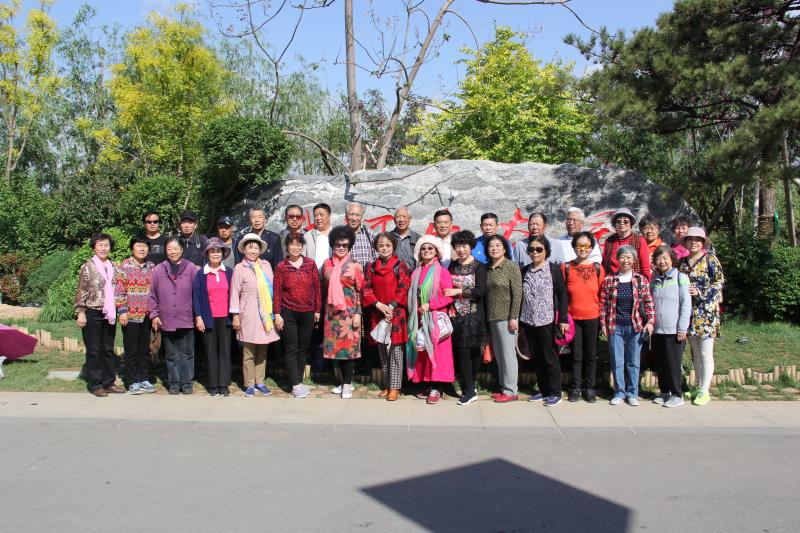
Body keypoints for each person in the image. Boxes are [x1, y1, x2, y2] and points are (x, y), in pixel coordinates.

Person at [600, 245, 655, 406]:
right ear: (618, 259)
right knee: (616, 360)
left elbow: (648, 302)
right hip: (614, 325)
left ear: (634, 260)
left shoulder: (641, 280)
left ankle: (632, 393)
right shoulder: (609, 279)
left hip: (635, 326)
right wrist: (603, 323)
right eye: (622, 257)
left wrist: (650, 321)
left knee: (633, 361)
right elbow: (603, 303)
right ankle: (619, 392)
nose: (625, 260)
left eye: (629, 257)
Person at [519, 236, 569, 407]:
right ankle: (544, 390)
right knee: (537, 357)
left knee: (550, 357)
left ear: (546, 251)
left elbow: (562, 295)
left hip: (547, 320)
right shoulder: (525, 270)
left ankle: (555, 392)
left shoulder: (553, 270)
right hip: (528, 320)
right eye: (531, 249)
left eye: (539, 249)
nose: (535, 252)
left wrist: (563, 319)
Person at [230, 233, 281, 397]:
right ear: (244, 250)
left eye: (256, 248)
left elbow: (272, 289)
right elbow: (234, 292)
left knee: (262, 351)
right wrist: (235, 315)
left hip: (265, 313)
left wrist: (275, 312)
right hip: (248, 312)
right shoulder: (240, 268)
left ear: (260, 250)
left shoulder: (266, 265)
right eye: (250, 247)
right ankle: (249, 384)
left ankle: (260, 381)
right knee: (249, 352)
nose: (253, 251)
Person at [406, 235, 455, 404]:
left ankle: (437, 387)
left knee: (438, 354)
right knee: (423, 352)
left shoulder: (442, 272)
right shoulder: (416, 272)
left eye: (430, 248)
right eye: (424, 248)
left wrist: (431, 305)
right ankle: (428, 383)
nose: (426, 251)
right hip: (419, 317)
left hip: (435, 318)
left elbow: (449, 296)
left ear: (436, 252)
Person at [363, 232, 411, 401]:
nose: (384, 248)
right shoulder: (371, 267)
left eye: (388, 245)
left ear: (393, 247)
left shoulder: (400, 265)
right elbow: (366, 288)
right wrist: (378, 305)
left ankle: (395, 388)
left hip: (396, 313)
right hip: (378, 313)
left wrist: (390, 307)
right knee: (383, 350)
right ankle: (387, 384)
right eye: (381, 245)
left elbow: (404, 287)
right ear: (376, 247)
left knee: (396, 351)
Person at [679, 227, 724, 406]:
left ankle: (705, 390)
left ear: (703, 243)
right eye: (690, 239)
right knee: (695, 353)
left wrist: (700, 292)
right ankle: (698, 386)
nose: (694, 242)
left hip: (706, 313)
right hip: (688, 313)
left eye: (698, 239)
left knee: (706, 352)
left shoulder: (710, 259)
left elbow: (718, 282)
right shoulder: (682, 262)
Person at [273, 232, 321, 399]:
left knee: (303, 348)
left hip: (307, 312)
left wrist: (317, 310)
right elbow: (277, 292)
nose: (295, 247)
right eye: (292, 244)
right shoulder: (281, 266)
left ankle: (299, 382)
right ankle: (294, 384)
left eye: (298, 244)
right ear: (287, 247)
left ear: (302, 246)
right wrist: (277, 313)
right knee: (291, 348)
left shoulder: (310, 264)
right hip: (288, 312)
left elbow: (317, 288)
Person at [75, 233, 124, 397]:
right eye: (100, 245)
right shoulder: (87, 266)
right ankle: (96, 384)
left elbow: (120, 285)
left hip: (109, 312)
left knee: (108, 349)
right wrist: (81, 312)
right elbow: (81, 290)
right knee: (94, 350)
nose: (104, 248)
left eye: (106, 245)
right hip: (92, 312)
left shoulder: (113, 266)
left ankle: (108, 382)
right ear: (94, 247)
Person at [149, 237, 198, 395]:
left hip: (186, 318)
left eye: (176, 248)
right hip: (167, 319)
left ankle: (187, 382)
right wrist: (154, 314)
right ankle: (174, 383)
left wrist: (197, 315)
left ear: (182, 249)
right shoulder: (159, 269)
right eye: (169, 249)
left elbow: (197, 293)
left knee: (187, 353)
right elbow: (152, 294)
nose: (172, 252)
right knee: (171, 354)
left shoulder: (191, 268)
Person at [322, 226, 365, 399]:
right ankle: (343, 382)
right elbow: (324, 288)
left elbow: (361, 291)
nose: (341, 247)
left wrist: (358, 313)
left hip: (349, 313)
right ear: (332, 245)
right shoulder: (327, 264)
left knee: (349, 350)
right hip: (332, 314)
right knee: (336, 350)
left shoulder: (355, 266)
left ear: (349, 246)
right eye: (337, 244)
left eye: (344, 245)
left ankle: (347, 384)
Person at [562, 231, 605, 403]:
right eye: (579, 245)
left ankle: (590, 388)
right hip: (573, 319)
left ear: (592, 248)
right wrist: (563, 318)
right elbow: (561, 296)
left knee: (591, 355)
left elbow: (603, 295)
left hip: (592, 317)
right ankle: (575, 388)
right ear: (574, 247)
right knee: (576, 355)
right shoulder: (566, 267)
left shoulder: (598, 268)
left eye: (586, 245)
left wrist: (602, 319)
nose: (583, 248)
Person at [445, 230, 487, 405]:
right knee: (462, 352)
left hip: (474, 316)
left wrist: (458, 291)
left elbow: (480, 291)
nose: (461, 249)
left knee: (475, 351)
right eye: (458, 246)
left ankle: (471, 387)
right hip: (456, 316)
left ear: (471, 246)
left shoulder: (479, 267)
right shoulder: (452, 266)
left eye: (465, 245)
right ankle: (469, 389)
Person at [114, 235, 156, 395]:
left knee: (144, 349)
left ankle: (144, 378)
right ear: (132, 248)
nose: (142, 249)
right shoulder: (124, 266)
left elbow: (155, 290)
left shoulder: (151, 267)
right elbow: (119, 290)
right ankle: (132, 381)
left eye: (145, 246)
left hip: (146, 315)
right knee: (131, 350)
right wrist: (122, 311)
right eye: (139, 245)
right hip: (130, 315)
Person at [650, 245, 691, 408]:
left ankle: (677, 394)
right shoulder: (654, 279)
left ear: (672, 259)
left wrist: (682, 328)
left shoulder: (681, 277)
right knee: (660, 363)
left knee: (673, 363)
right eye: (658, 258)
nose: (662, 261)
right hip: (657, 329)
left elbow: (686, 304)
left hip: (674, 330)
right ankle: (664, 391)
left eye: (665, 258)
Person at [192, 238, 234, 396]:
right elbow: (196, 296)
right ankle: (213, 384)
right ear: (207, 254)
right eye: (212, 251)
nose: (215, 254)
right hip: (208, 318)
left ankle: (223, 384)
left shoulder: (229, 272)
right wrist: (198, 316)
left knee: (225, 351)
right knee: (210, 352)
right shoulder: (201, 274)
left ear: (222, 253)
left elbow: (234, 294)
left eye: (218, 251)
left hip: (225, 317)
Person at [485, 234, 522, 403]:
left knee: (508, 355)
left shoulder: (511, 266)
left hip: (507, 317)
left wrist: (513, 317)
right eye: (491, 246)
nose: (494, 248)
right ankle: (503, 387)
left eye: (498, 245)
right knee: (499, 355)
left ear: (505, 248)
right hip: (492, 317)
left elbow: (517, 293)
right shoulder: (488, 269)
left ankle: (511, 390)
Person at [601, 208, 651, 280]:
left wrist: (645, 283)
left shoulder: (640, 240)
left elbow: (645, 267)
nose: (622, 223)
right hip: (612, 282)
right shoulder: (609, 241)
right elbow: (604, 265)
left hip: (634, 282)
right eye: (618, 221)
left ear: (631, 224)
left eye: (626, 221)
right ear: (615, 225)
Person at [346, 202, 377, 268]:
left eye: (358, 215)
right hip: (348, 273)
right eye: (351, 214)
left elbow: (376, 258)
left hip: (367, 274)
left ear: (362, 217)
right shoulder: (340, 235)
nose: (354, 218)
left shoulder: (369, 234)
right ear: (346, 215)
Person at [390, 205, 421, 270]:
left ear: (409, 219)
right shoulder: (388, 238)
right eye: (398, 216)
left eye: (404, 216)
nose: (401, 220)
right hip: (392, 275)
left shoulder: (418, 239)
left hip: (413, 275)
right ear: (394, 219)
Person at [305, 202, 333, 272]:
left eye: (321, 215)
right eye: (315, 215)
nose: (318, 218)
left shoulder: (338, 235)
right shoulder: (307, 236)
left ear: (329, 216)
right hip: (312, 276)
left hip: (333, 276)